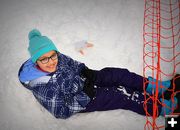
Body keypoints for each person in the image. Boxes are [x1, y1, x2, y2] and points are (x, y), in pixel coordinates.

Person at [18, 29, 180, 119]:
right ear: (35, 62)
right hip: (81, 99)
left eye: (53, 56)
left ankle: (159, 88)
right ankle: (163, 108)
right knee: (119, 94)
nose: (51, 61)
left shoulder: (58, 57)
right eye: (44, 60)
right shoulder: (41, 86)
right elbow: (61, 111)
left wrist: (84, 70)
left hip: (84, 79)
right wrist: (85, 95)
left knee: (118, 74)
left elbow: (72, 63)